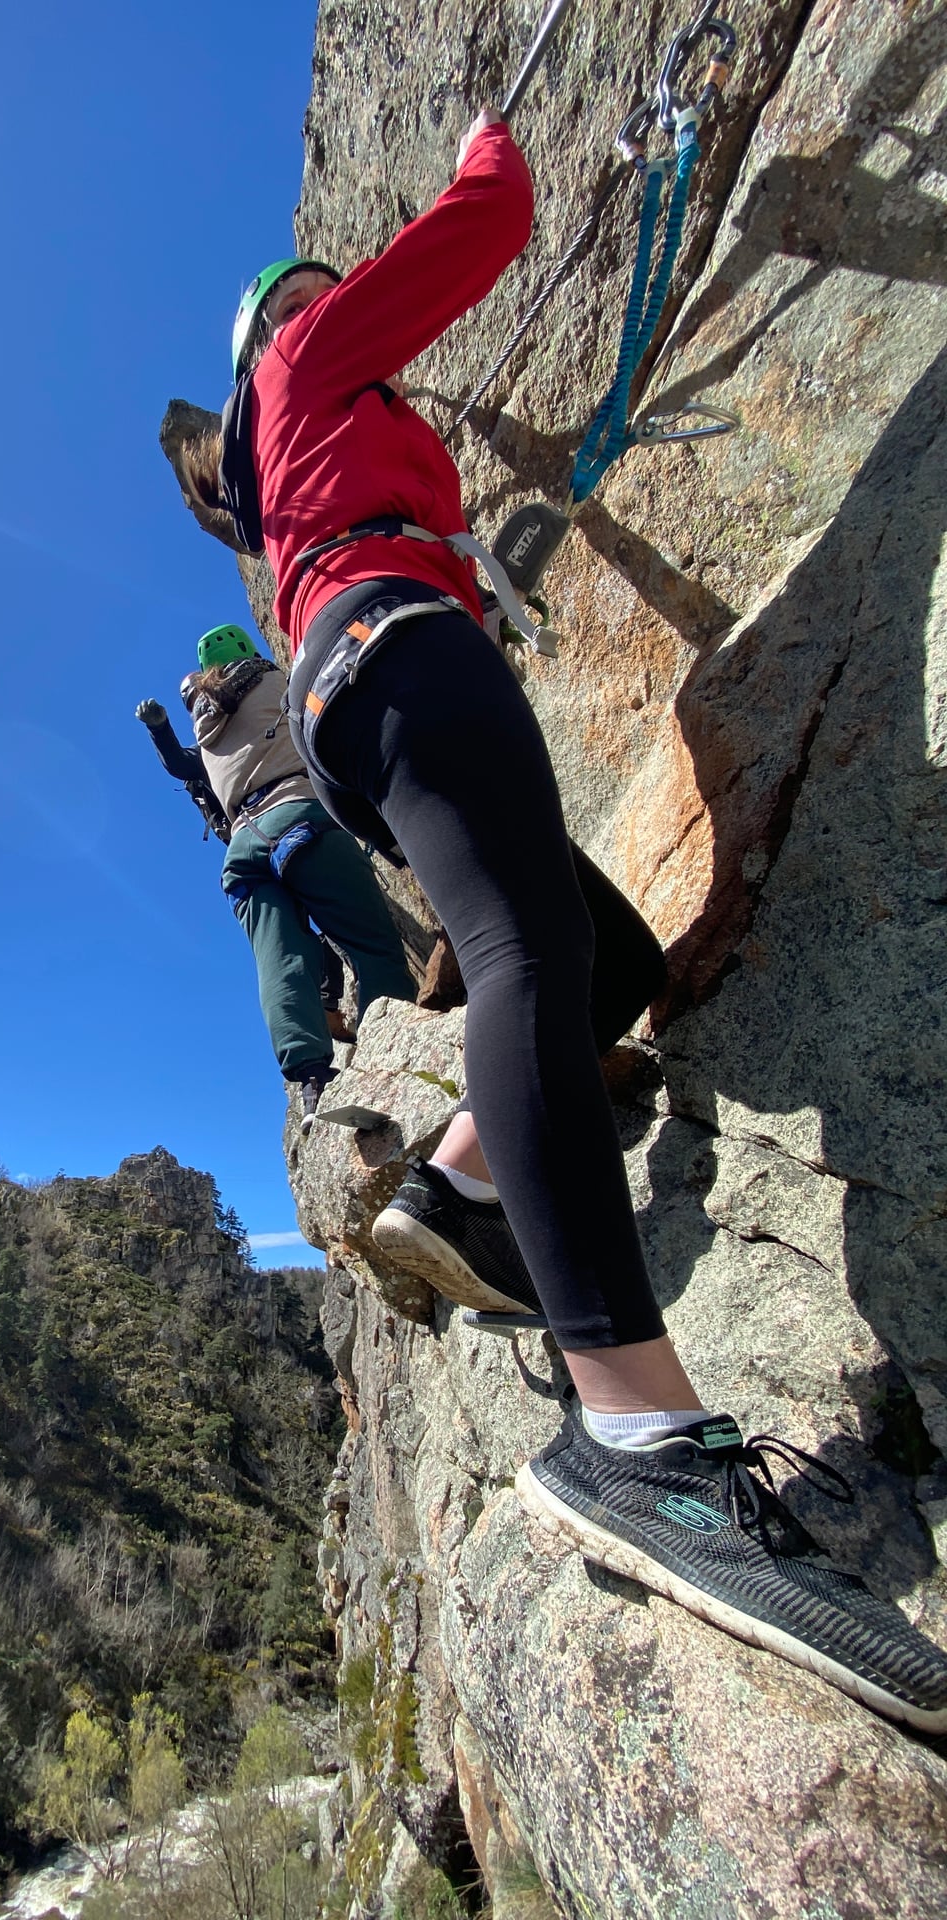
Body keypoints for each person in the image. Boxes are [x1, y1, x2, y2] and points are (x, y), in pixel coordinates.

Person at [184, 111, 947, 1729]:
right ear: (284, 326)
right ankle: (637, 1440)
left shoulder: (300, 494)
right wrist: (488, 147)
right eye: (316, 293)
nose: (339, 301)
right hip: (403, 655)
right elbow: (485, 228)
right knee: (530, 956)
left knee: (606, 960)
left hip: (375, 677)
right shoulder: (308, 366)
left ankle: (464, 1195)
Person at [143, 622, 416, 1131]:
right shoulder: (282, 683)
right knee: (372, 946)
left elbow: (182, 767)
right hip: (299, 817)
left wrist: (159, 729)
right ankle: (393, 1054)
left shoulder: (206, 727)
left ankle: (311, 1080)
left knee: (281, 963)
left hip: (244, 853)